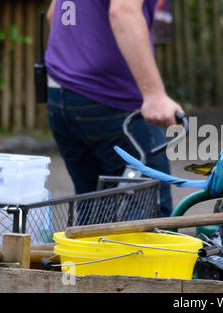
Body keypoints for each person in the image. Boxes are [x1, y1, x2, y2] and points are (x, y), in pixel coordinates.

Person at [45, 0, 183, 218]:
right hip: (113, 99)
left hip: (60, 94)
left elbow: (55, 13)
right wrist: (154, 95)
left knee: (94, 216)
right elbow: (123, 12)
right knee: (147, 221)